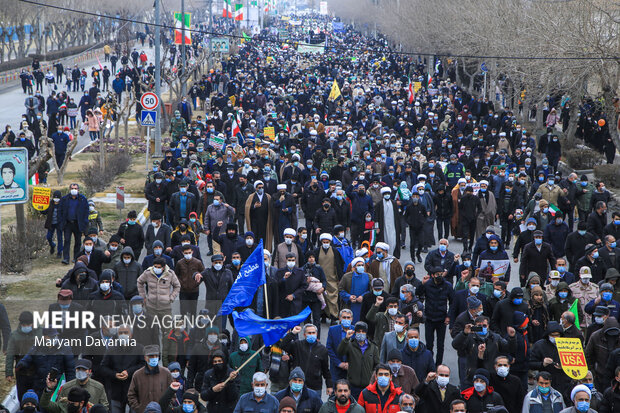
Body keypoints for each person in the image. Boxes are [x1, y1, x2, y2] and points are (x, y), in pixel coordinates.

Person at [418, 266, 454, 365]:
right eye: (437, 274)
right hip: (429, 318)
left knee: (440, 345)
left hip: (441, 319)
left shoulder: (448, 286)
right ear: (432, 275)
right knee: (429, 344)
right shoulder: (427, 285)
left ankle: (438, 365)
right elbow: (418, 294)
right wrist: (422, 284)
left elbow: (452, 302)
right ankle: (429, 364)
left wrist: (448, 316)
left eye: (441, 274)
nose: (439, 276)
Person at [281, 324, 332, 394]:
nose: (311, 335)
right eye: (309, 333)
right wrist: (293, 333)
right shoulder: (297, 345)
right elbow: (283, 345)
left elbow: (325, 370)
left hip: (315, 386)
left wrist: (329, 386)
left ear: (316, 334)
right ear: (305, 335)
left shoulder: (323, 350)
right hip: (298, 384)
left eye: (313, 333)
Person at [337, 322, 379, 399]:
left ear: (366, 333)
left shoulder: (373, 347)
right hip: (353, 386)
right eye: (359, 331)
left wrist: (372, 378)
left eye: (363, 332)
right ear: (355, 332)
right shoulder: (350, 345)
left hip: (368, 387)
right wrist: (346, 339)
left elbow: (377, 365)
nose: (361, 333)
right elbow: (340, 352)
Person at [128, 345, 173, 413]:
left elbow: (172, 393)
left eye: (156, 356)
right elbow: (131, 395)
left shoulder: (166, 373)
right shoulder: (138, 375)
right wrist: (139, 408)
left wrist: (166, 408)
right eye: (151, 356)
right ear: (145, 358)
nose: (154, 358)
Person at [59, 183, 90, 264]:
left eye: (75, 188)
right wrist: (61, 221)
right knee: (67, 240)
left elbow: (86, 211)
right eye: (72, 188)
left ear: (78, 190)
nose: (74, 190)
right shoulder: (65, 199)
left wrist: (85, 222)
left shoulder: (82, 199)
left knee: (78, 241)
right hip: (68, 223)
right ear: (70, 189)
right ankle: (66, 258)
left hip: (78, 223)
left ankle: (76, 257)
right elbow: (60, 210)